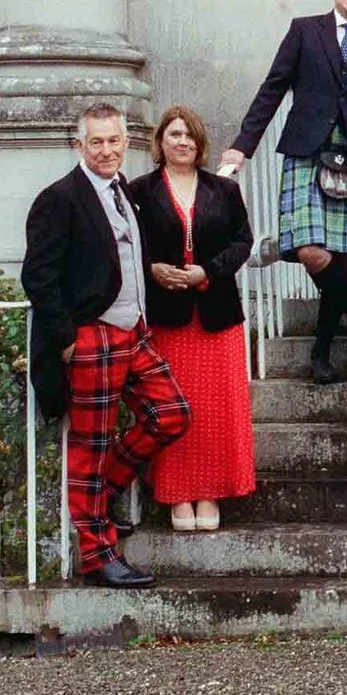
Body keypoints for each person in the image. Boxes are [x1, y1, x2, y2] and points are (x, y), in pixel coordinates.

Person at [21, 103, 192, 588]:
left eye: (114, 140)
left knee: (172, 414)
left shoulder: (125, 193)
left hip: (134, 331)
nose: (106, 150)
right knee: (90, 446)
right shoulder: (59, 199)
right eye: (96, 142)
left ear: (125, 142)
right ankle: (98, 555)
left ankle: (97, 497)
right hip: (91, 335)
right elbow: (38, 275)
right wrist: (67, 339)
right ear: (79, 145)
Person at [219, 0, 347, 385]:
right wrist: (241, 147)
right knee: (311, 251)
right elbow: (273, 89)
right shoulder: (305, 30)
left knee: (335, 259)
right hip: (306, 148)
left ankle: (321, 353)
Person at [130, 104, 256, 532]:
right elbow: (126, 244)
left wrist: (210, 272)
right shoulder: (140, 192)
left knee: (216, 410)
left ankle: (211, 492)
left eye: (189, 135)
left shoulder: (223, 190)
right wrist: (151, 269)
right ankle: (177, 495)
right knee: (172, 406)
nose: (182, 141)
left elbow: (243, 240)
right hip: (167, 318)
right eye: (174, 134)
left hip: (217, 315)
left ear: (200, 144)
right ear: (160, 142)